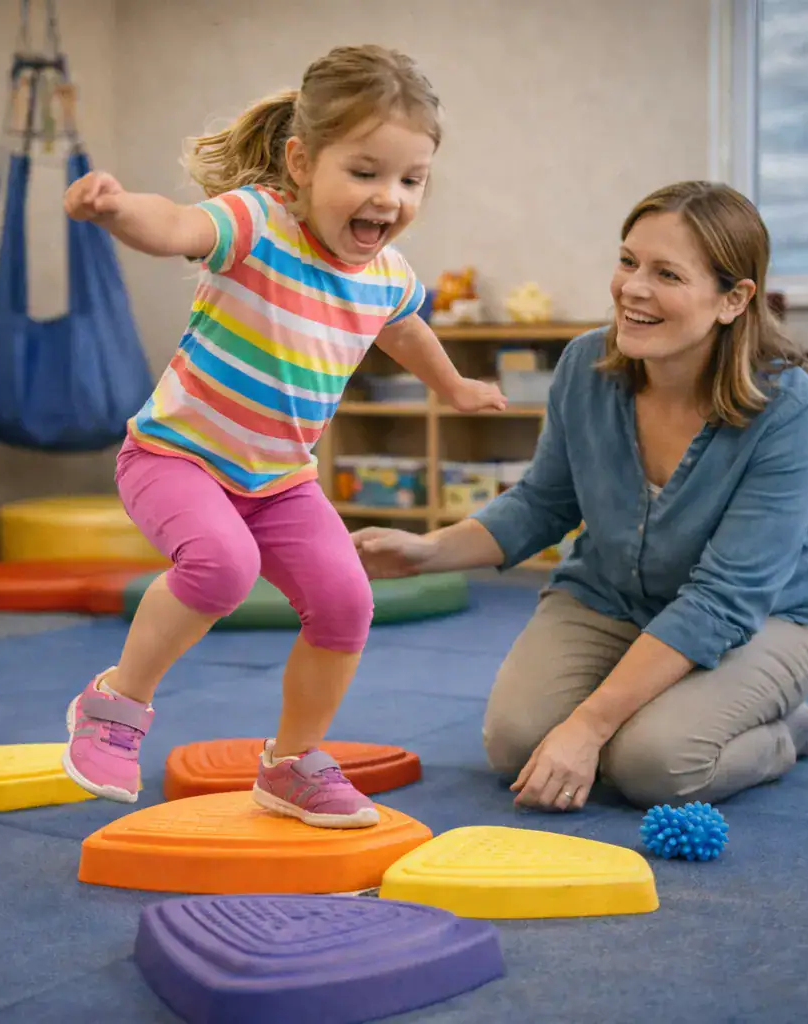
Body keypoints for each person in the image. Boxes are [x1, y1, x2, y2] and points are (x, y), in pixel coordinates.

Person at [59, 44, 507, 828]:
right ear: (301, 162)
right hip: (176, 456)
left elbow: (404, 331)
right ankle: (113, 704)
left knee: (345, 604)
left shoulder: (386, 274)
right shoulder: (256, 221)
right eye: (364, 173)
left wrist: (456, 386)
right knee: (221, 567)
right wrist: (115, 209)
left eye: (411, 180)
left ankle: (291, 763)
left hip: (278, 480)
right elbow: (172, 226)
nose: (388, 199)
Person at [353, 180, 808, 812]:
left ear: (733, 299)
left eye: (667, 275)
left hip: (764, 618)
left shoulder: (789, 409)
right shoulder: (583, 366)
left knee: (654, 767)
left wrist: (591, 725)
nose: (633, 289)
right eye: (627, 261)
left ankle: (788, 732)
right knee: (517, 743)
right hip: (610, 594)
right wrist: (425, 551)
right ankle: (652, 702)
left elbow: (724, 599)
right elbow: (544, 502)